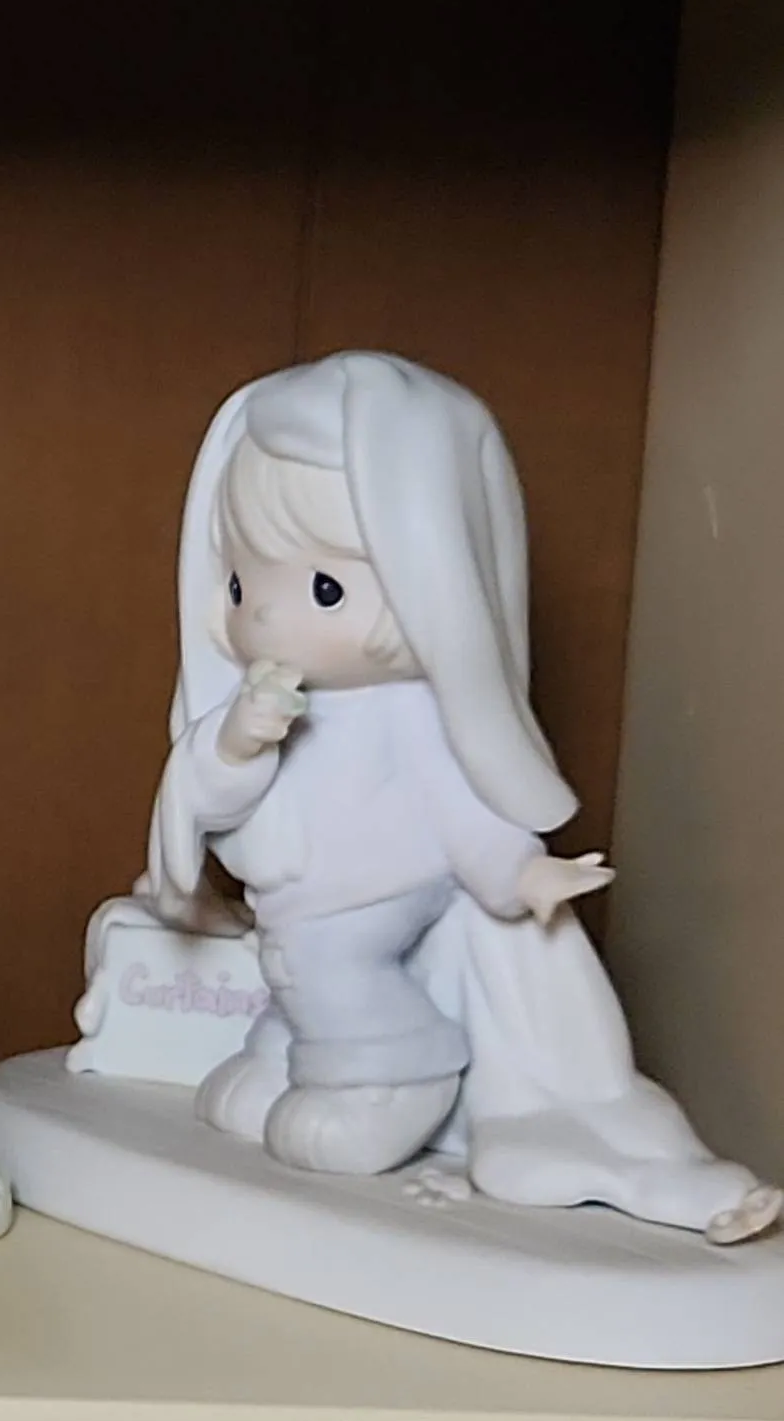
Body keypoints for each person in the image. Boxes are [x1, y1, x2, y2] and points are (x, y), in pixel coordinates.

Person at [147, 349, 776, 1237]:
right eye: (245, 584)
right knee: (296, 984)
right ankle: (296, 1053)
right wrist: (239, 740)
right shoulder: (270, 696)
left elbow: (464, 803)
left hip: (368, 909)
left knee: (333, 973)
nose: (265, 617)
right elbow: (215, 800)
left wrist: (522, 873)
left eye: (324, 588)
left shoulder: (419, 711)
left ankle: (395, 1076)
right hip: (294, 912)